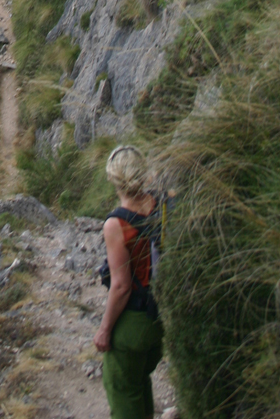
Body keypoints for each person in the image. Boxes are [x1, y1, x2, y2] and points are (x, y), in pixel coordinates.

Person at [94, 145, 164, 419]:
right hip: (159, 316)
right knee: (140, 381)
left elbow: (121, 286)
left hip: (133, 321)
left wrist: (104, 329)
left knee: (123, 390)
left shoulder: (116, 224)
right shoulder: (162, 204)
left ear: (113, 179)